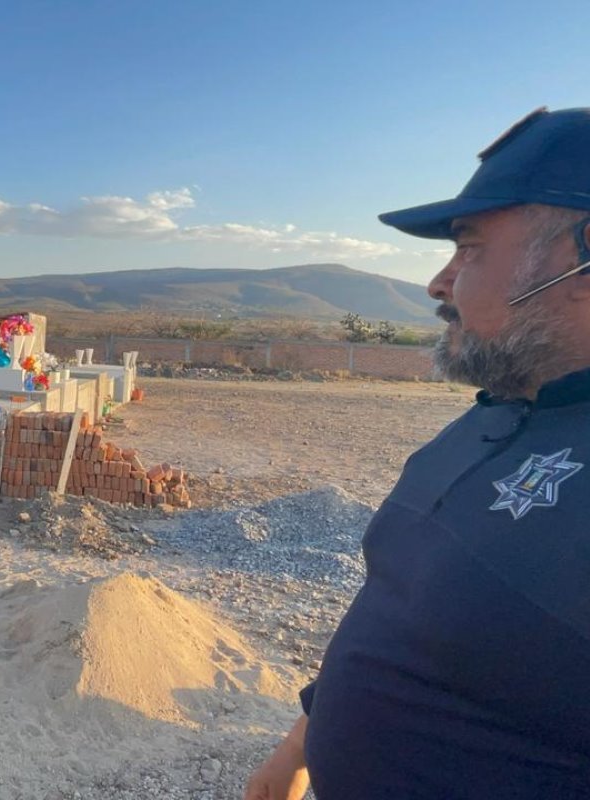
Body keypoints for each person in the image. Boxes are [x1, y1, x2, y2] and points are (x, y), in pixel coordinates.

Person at [245, 107, 590, 800]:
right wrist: (298, 748)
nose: (439, 282)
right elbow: (403, 605)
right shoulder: (496, 415)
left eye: (469, 248)